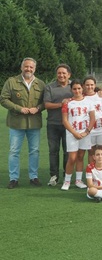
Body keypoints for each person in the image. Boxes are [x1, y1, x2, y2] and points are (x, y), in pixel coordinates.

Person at [1, 57, 46, 189]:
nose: (28, 69)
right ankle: (13, 178)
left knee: (35, 151)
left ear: (35, 69)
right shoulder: (11, 81)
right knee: (14, 151)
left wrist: (37, 108)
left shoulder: (41, 84)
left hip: (34, 123)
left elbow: (45, 102)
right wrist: (19, 108)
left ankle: (34, 177)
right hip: (16, 123)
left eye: (31, 67)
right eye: (26, 66)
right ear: (21, 67)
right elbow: (3, 99)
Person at [61, 80, 95, 191]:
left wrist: (86, 132)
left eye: (79, 88)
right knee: (72, 158)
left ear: (82, 88)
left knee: (81, 156)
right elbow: (65, 121)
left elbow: (93, 118)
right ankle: (67, 181)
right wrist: (74, 133)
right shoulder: (67, 103)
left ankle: (78, 180)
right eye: (74, 89)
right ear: (71, 90)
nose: (77, 91)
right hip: (72, 133)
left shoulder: (88, 102)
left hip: (85, 133)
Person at [43, 63, 72, 186]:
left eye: (64, 73)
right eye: (59, 73)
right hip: (53, 124)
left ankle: (67, 175)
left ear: (69, 75)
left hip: (69, 125)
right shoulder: (50, 87)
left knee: (67, 151)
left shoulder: (74, 86)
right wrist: (62, 104)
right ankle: (54, 176)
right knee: (53, 151)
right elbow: (47, 105)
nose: (61, 75)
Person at [83, 76, 102, 165]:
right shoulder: (82, 98)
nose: (89, 87)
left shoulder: (100, 96)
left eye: (91, 85)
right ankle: (92, 173)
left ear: (95, 85)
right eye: (87, 85)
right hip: (89, 130)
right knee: (91, 152)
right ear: (84, 86)